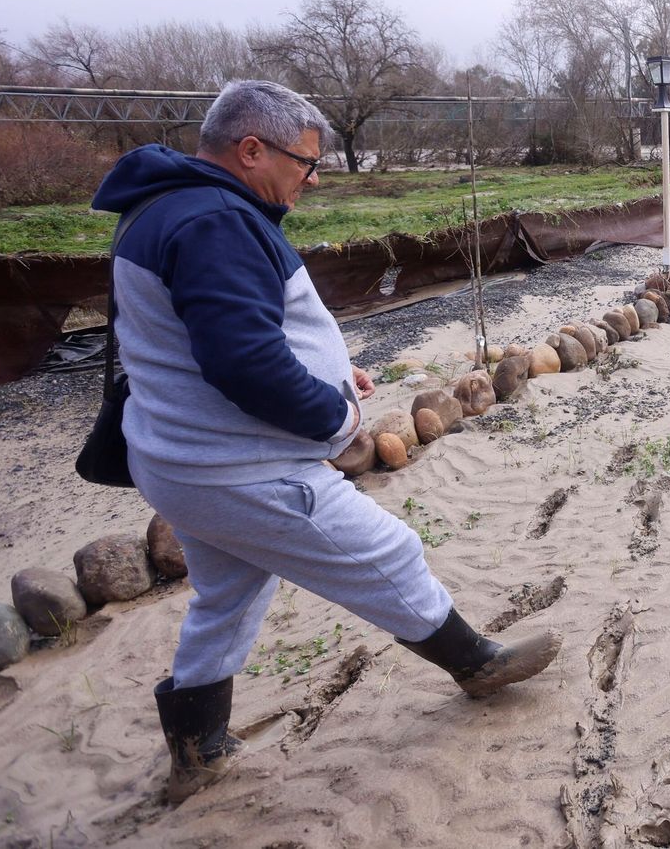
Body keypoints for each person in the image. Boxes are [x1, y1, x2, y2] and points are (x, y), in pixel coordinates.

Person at [90, 80, 561, 804]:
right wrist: (333, 416)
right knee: (387, 552)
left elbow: (207, 338)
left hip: (179, 458)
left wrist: (331, 368)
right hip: (239, 466)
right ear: (252, 149)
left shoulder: (164, 207)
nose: (311, 179)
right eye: (305, 163)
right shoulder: (215, 220)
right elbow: (243, 362)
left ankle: (197, 749)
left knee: (227, 597)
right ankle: (476, 664)